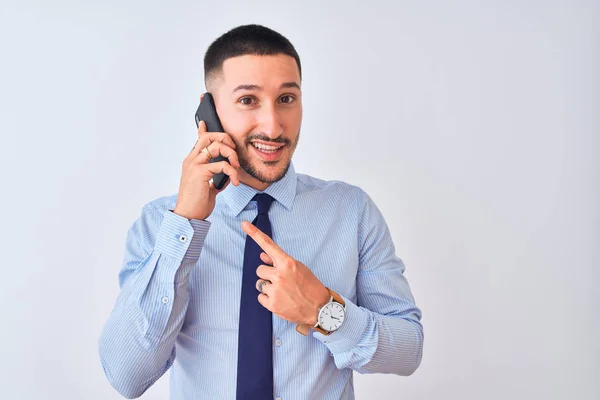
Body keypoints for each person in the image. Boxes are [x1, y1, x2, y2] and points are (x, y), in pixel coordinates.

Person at [98, 24, 423, 400]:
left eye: (286, 99)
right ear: (210, 110)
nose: (272, 126)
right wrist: (185, 223)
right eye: (248, 100)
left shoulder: (351, 211)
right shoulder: (160, 223)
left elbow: (408, 349)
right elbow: (126, 375)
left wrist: (322, 311)